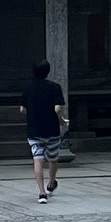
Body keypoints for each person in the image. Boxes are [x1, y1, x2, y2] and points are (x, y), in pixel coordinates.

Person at [23, 59, 67, 201]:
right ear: (48, 71)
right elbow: (57, 108)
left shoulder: (28, 88)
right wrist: (62, 121)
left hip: (34, 129)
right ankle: (51, 183)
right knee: (53, 159)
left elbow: (22, 109)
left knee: (38, 160)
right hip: (52, 128)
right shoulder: (55, 87)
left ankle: (42, 193)